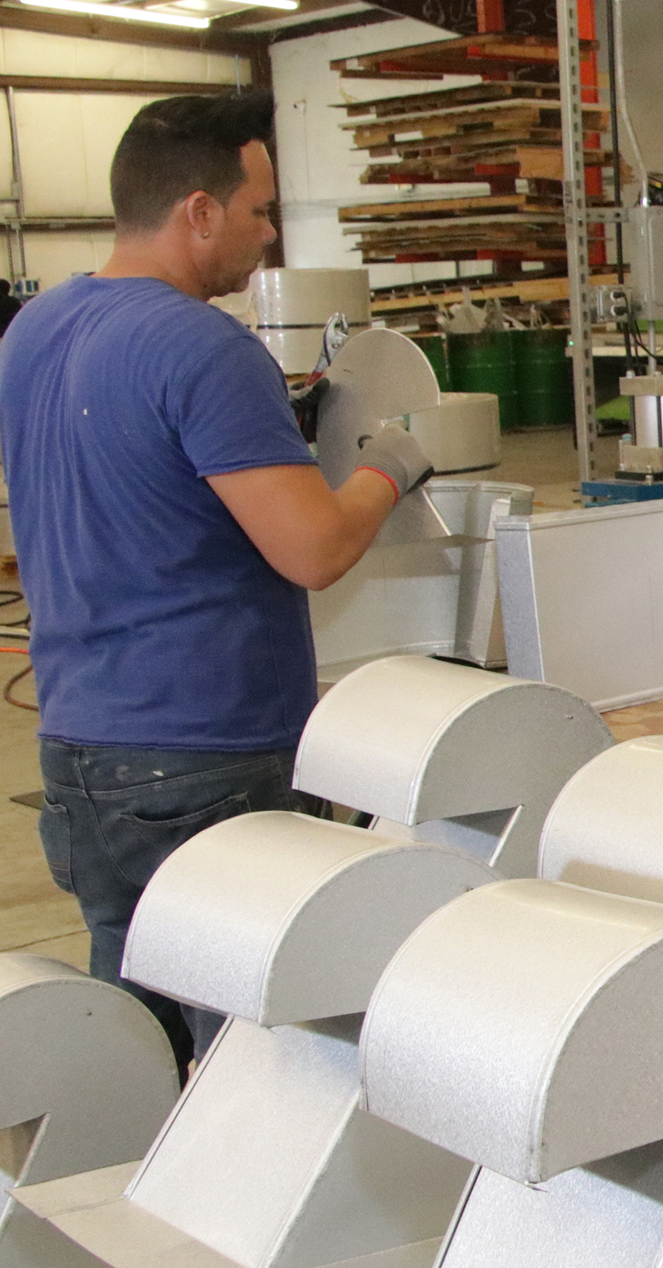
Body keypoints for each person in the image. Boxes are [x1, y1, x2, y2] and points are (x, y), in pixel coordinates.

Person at [0, 91, 433, 1065]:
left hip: (81, 755)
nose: (269, 234)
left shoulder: (32, 331)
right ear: (199, 210)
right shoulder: (205, 346)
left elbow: (128, 476)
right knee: (258, 1056)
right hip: (203, 760)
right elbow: (312, 548)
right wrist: (387, 466)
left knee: (136, 1045)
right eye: (258, 210)